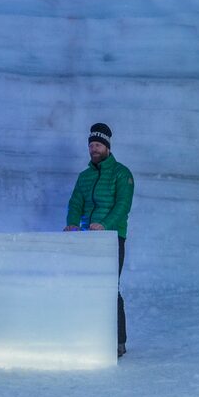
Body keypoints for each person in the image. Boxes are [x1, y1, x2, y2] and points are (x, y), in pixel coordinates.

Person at [63, 122, 136, 357]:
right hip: (88, 239)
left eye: (98, 145)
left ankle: (118, 341)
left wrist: (105, 225)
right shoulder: (84, 177)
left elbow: (123, 206)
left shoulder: (121, 173)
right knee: (88, 286)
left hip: (112, 238)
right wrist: (73, 223)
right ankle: (91, 337)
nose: (94, 149)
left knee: (109, 288)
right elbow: (75, 203)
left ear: (107, 147)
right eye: (91, 145)